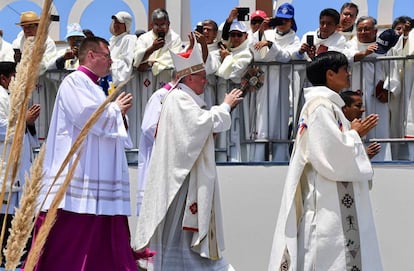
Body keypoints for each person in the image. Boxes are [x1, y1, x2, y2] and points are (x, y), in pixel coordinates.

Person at [27, 37, 136, 270]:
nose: (111, 61)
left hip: (97, 181)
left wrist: (120, 116)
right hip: (77, 179)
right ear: (91, 56)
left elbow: (104, 122)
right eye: (107, 56)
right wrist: (116, 110)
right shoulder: (74, 81)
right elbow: (87, 117)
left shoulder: (95, 87)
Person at [268, 51, 383, 271]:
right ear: (330, 74)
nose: (349, 74)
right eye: (344, 70)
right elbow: (330, 154)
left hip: (334, 193)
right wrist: (355, 135)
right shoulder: (320, 106)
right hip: (327, 198)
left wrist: (357, 147)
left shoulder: (329, 106)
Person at [134, 44, 242, 270]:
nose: (205, 81)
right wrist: (225, 106)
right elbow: (199, 124)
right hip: (181, 180)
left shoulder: (185, 99)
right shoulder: (179, 99)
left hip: (186, 174)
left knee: (182, 237)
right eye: (202, 77)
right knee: (180, 234)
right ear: (189, 77)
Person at [248, 2, 301, 161]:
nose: (282, 23)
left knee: (280, 121)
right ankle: (257, 158)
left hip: (282, 84)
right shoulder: (267, 33)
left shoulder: (295, 39)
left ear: (291, 21)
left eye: (285, 20)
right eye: (279, 19)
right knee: (261, 121)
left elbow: (286, 57)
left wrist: (271, 46)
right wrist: (260, 32)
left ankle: (280, 158)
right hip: (264, 83)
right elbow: (254, 51)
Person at [0, 61, 40, 267]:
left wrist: (29, 124)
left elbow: (26, 137)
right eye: (14, 75)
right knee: (4, 220)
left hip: (19, 167)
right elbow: (1, 128)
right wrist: (23, 120)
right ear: (4, 78)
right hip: (5, 166)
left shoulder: (10, 97)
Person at [343, 17, 399, 161]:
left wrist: (387, 89)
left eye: (366, 29)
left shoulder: (385, 48)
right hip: (355, 99)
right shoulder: (350, 46)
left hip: (377, 99)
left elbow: (393, 71)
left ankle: (382, 160)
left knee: (379, 129)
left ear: (375, 31)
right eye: (360, 29)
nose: (363, 32)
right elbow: (344, 59)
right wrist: (363, 54)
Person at [207, 20, 252, 161]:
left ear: (245, 36)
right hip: (221, 96)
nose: (235, 38)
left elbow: (233, 73)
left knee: (235, 129)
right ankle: (219, 157)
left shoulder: (246, 53)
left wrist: (227, 58)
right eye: (232, 35)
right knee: (220, 125)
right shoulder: (226, 51)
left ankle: (235, 159)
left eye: (239, 35)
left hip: (236, 97)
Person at [133, 8, 182, 80]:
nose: (159, 28)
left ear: (168, 24)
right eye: (156, 24)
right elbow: (137, 58)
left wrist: (151, 64)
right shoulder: (143, 38)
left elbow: (172, 58)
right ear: (152, 24)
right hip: (146, 81)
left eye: (162, 24)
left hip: (166, 79)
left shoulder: (175, 38)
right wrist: (152, 48)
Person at [12, 11, 57, 75]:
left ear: (38, 26)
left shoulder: (47, 42)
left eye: (31, 26)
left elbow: (49, 65)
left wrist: (32, 58)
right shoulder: (18, 42)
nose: (27, 30)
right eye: (24, 27)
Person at [340, 90, 381, 159]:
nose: (363, 109)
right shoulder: (337, 126)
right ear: (345, 108)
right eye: (358, 106)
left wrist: (364, 155)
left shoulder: (352, 124)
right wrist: (355, 134)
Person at [108, 11, 137, 88]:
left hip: (122, 86)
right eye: (115, 22)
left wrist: (110, 62)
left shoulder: (129, 39)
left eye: (119, 23)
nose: (115, 25)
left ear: (126, 25)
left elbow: (127, 64)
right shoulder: (112, 41)